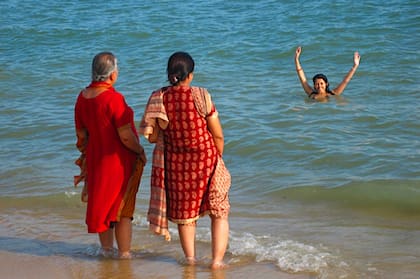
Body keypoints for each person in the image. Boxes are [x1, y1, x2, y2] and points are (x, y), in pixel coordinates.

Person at [139, 52, 231, 269]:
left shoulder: (159, 98)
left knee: (186, 216)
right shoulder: (201, 95)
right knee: (219, 212)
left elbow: (151, 136)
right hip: (207, 160)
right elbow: (217, 134)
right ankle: (217, 262)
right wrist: (217, 158)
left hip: (176, 166)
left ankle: (190, 259)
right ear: (190, 75)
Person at [74, 52, 147, 259]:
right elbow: (125, 137)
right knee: (123, 210)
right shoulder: (113, 99)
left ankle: (106, 251)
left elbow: (81, 135)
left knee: (104, 206)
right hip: (118, 162)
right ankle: (124, 254)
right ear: (112, 74)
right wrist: (140, 150)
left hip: (96, 159)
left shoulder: (82, 97)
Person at [294, 46, 361, 100]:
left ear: (326, 84)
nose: (319, 86)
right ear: (314, 86)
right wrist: (296, 59)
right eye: (317, 84)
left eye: (321, 83)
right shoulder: (311, 94)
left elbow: (345, 81)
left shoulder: (333, 93)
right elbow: (302, 79)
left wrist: (355, 66)